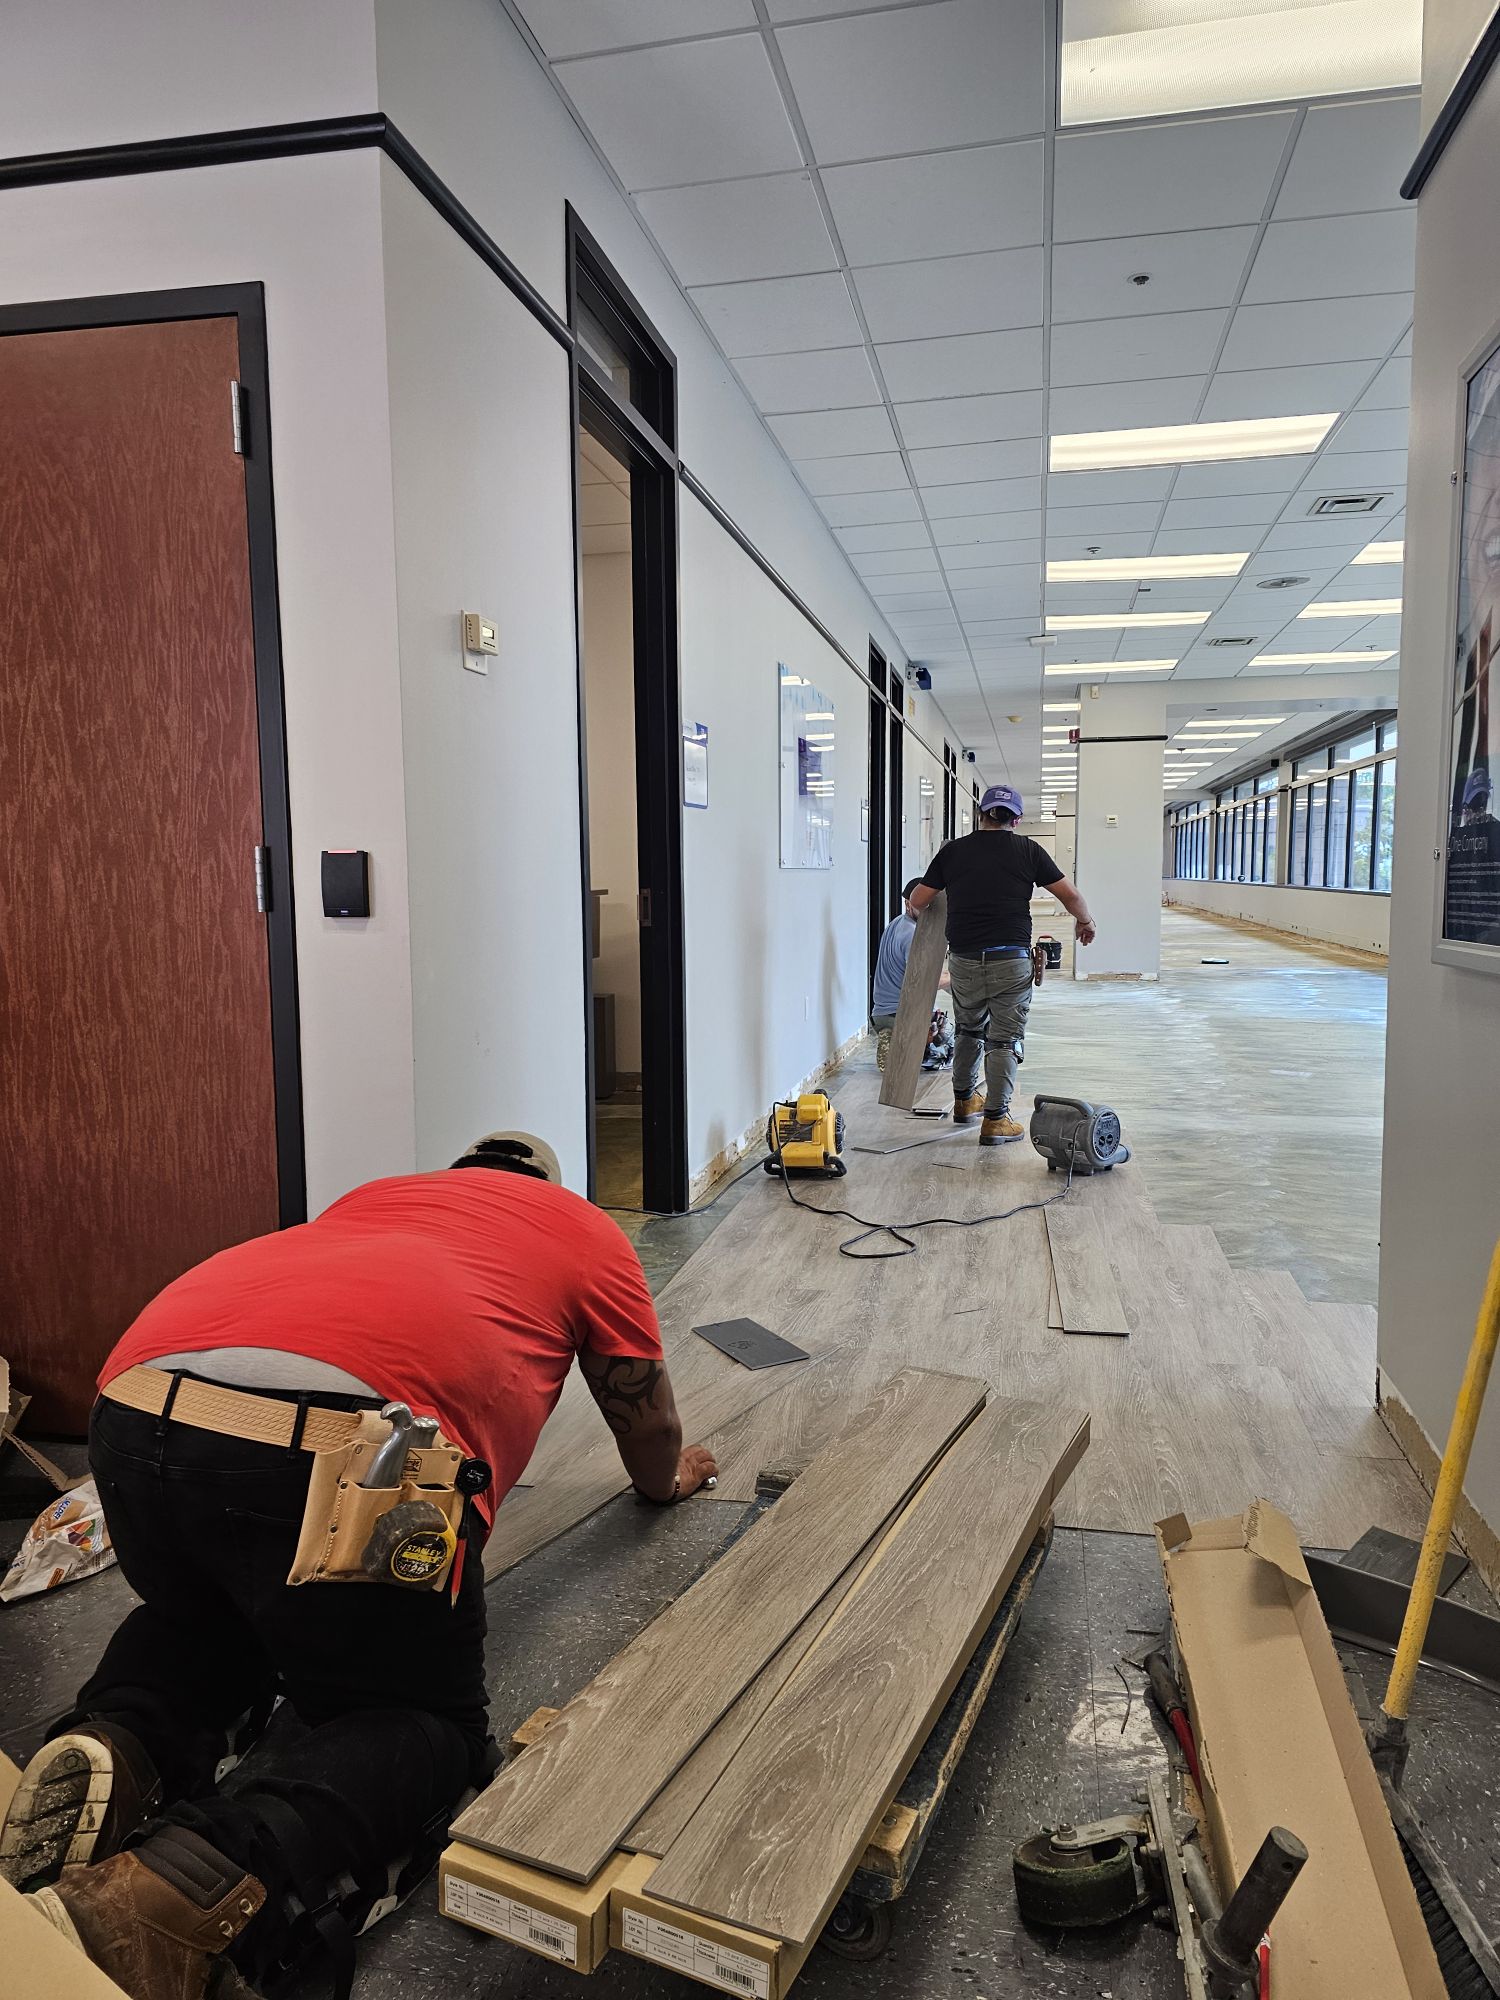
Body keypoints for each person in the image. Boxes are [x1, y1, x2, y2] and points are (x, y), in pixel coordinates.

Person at [1, 1132, 718, 2000]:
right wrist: (666, 1484)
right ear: (549, 1186)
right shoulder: (580, 1226)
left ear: (457, 1176)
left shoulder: (374, 1199)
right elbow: (646, 1419)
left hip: (133, 1409)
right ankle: (182, 1891)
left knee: (215, 1617)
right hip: (344, 1446)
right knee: (420, 1721)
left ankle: (119, 1736)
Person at [910, 785, 1096, 1146]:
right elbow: (1070, 895)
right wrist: (1085, 921)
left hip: (964, 958)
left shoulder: (953, 851)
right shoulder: (1028, 850)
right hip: (1009, 959)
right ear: (1017, 820)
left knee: (968, 1029)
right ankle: (995, 1120)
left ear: (981, 814)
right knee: (1004, 1039)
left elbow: (918, 899)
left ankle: (964, 1101)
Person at [870, 878, 951, 1070]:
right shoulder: (914, 934)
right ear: (908, 904)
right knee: (952, 1044)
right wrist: (959, 977)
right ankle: (911, 1051)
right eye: (924, 906)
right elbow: (926, 981)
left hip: (881, 1015)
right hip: (905, 1014)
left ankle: (896, 1040)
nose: (930, 911)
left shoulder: (897, 924)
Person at [1444, 768, 1500, 942]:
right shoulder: (1455, 837)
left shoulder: (1495, 831)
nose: (1479, 811)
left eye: (1482, 804)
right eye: (1474, 805)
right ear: (1465, 809)